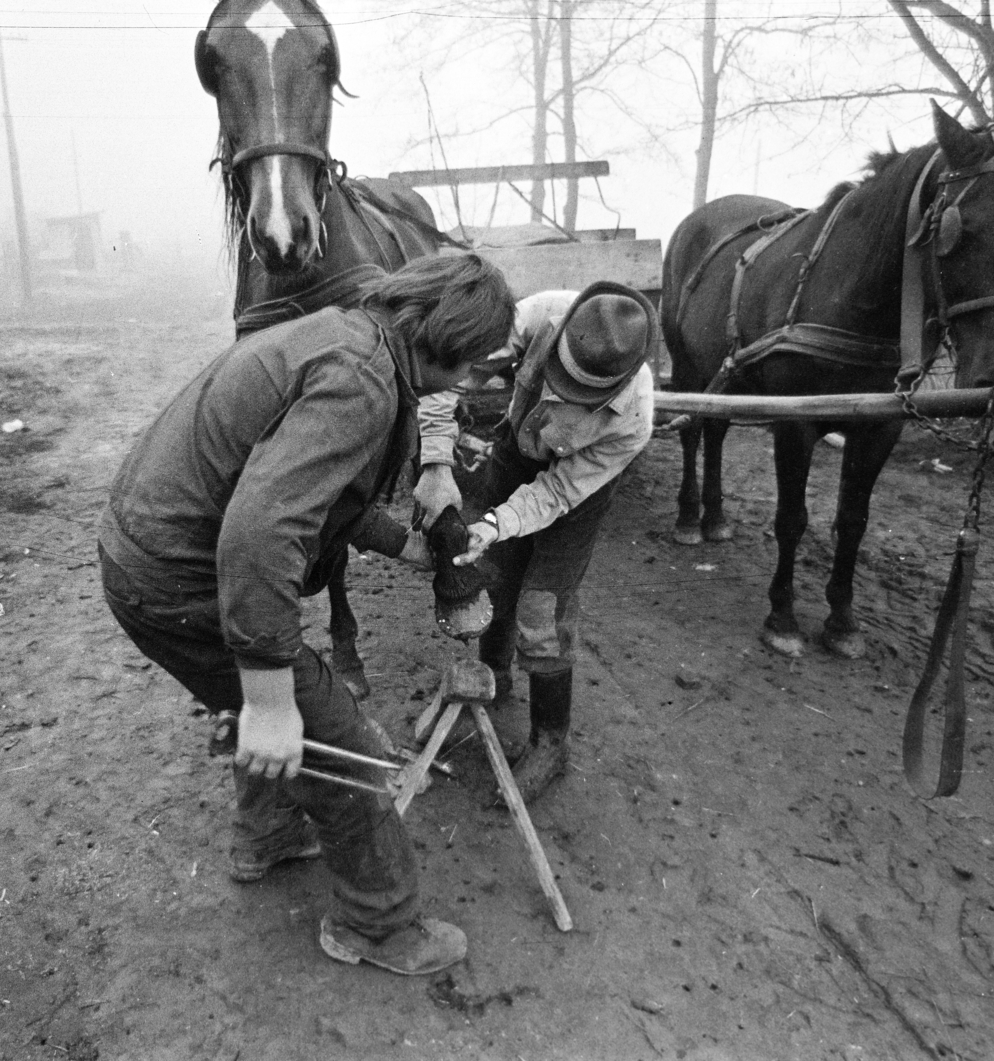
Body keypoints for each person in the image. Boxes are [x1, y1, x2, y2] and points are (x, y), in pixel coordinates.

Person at [98, 253, 515, 976]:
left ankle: (266, 835)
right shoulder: (362, 381)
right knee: (338, 737)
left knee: (290, 708)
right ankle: (378, 924)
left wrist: (402, 543)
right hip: (181, 580)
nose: (473, 380)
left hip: (147, 554)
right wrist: (266, 697)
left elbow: (305, 486)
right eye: (475, 364)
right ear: (448, 344)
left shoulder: (346, 335)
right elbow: (260, 531)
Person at [414, 282, 658, 802]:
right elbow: (446, 375)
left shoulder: (633, 418)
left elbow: (558, 491)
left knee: (542, 608)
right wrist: (436, 460)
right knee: (497, 573)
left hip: (574, 493)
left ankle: (551, 741)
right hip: (514, 452)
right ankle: (494, 678)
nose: (564, 394)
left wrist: (499, 521)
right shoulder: (534, 317)